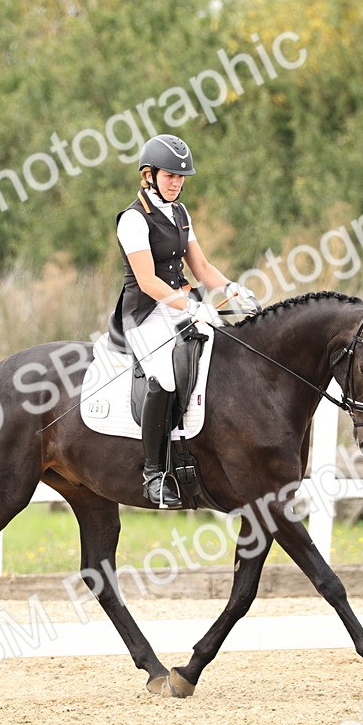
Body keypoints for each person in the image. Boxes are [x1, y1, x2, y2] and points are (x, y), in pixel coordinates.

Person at [112, 134, 260, 508]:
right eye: (169, 176)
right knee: (162, 378)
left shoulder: (180, 213)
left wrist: (232, 288)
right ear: (149, 175)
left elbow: (202, 267)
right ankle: (154, 474)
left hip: (181, 305)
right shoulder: (132, 219)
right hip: (145, 314)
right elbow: (147, 280)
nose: (176, 183)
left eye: (181, 178)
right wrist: (192, 308)